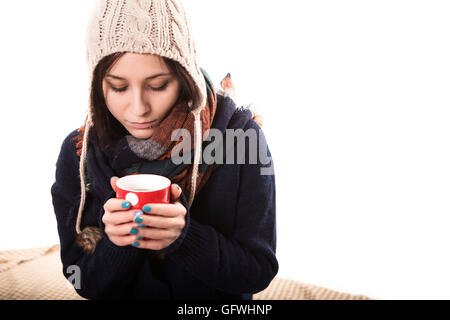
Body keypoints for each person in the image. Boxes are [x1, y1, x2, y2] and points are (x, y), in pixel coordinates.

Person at [51, 0, 278, 300]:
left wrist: (184, 239)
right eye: (118, 87)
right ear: (96, 84)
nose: (138, 109)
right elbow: (82, 280)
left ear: (186, 78)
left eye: (158, 85)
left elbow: (258, 271)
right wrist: (117, 245)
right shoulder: (79, 154)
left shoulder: (240, 139)